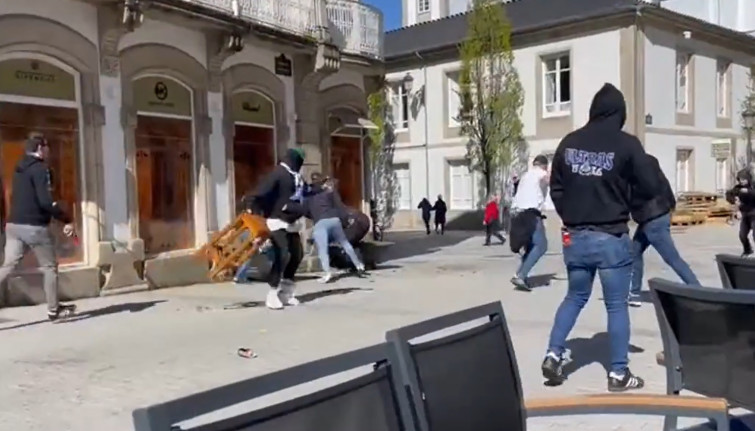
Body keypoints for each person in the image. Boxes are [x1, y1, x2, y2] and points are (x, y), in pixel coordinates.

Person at [543, 83, 660, 392]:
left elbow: (556, 187)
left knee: (575, 297)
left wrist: (570, 213)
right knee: (616, 305)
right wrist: (628, 198)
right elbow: (650, 185)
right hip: (611, 237)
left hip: (576, 238)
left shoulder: (569, 143)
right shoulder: (627, 144)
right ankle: (619, 374)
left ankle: (554, 354)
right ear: (620, 113)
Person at [0, 133, 77, 321]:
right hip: (34, 227)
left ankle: (54, 308)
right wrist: (66, 219)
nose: (49, 150)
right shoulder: (41, 169)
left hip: (13, 225)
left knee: (7, 266)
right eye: (47, 147)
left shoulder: (18, 169)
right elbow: (45, 202)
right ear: (40, 149)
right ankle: (53, 310)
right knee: (50, 267)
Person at [628, 154, 699, 307]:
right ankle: (634, 293)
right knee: (634, 252)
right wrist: (671, 206)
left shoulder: (631, 171)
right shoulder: (651, 162)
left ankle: (697, 290)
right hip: (658, 214)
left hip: (652, 218)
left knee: (672, 258)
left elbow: (629, 195)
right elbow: (665, 185)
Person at [247, 148, 307, 310]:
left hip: (291, 221)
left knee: (297, 255)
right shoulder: (278, 173)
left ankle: (286, 292)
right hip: (276, 220)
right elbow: (260, 191)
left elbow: (305, 192)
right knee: (283, 253)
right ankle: (272, 293)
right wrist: (252, 208)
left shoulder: (296, 177)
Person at [305, 173, 365, 283]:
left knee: (323, 250)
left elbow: (305, 211)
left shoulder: (309, 197)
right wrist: (345, 220)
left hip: (320, 223)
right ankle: (359, 265)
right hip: (334, 220)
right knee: (345, 243)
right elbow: (339, 207)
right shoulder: (329, 193)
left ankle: (327, 273)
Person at [509, 155, 550, 291]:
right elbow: (549, 179)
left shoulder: (526, 175)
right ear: (544, 165)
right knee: (541, 245)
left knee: (531, 246)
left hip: (516, 214)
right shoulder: (541, 173)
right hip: (530, 214)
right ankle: (521, 275)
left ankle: (519, 274)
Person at [726, 169, 755, 256]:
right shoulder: (738, 188)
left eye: (743, 179)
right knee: (742, 235)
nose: (741, 181)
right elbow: (728, 194)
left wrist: (749, 192)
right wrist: (734, 200)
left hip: (754, 214)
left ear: (748, 178)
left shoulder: (753, 186)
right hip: (745, 215)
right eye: (740, 179)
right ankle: (747, 250)